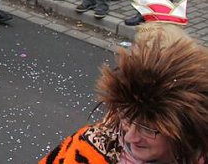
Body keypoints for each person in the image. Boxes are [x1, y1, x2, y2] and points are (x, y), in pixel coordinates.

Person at [40, 18, 208, 164]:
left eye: (147, 128)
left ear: (186, 125)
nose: (129, 137)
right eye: (127, 116)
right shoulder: (91, 148)